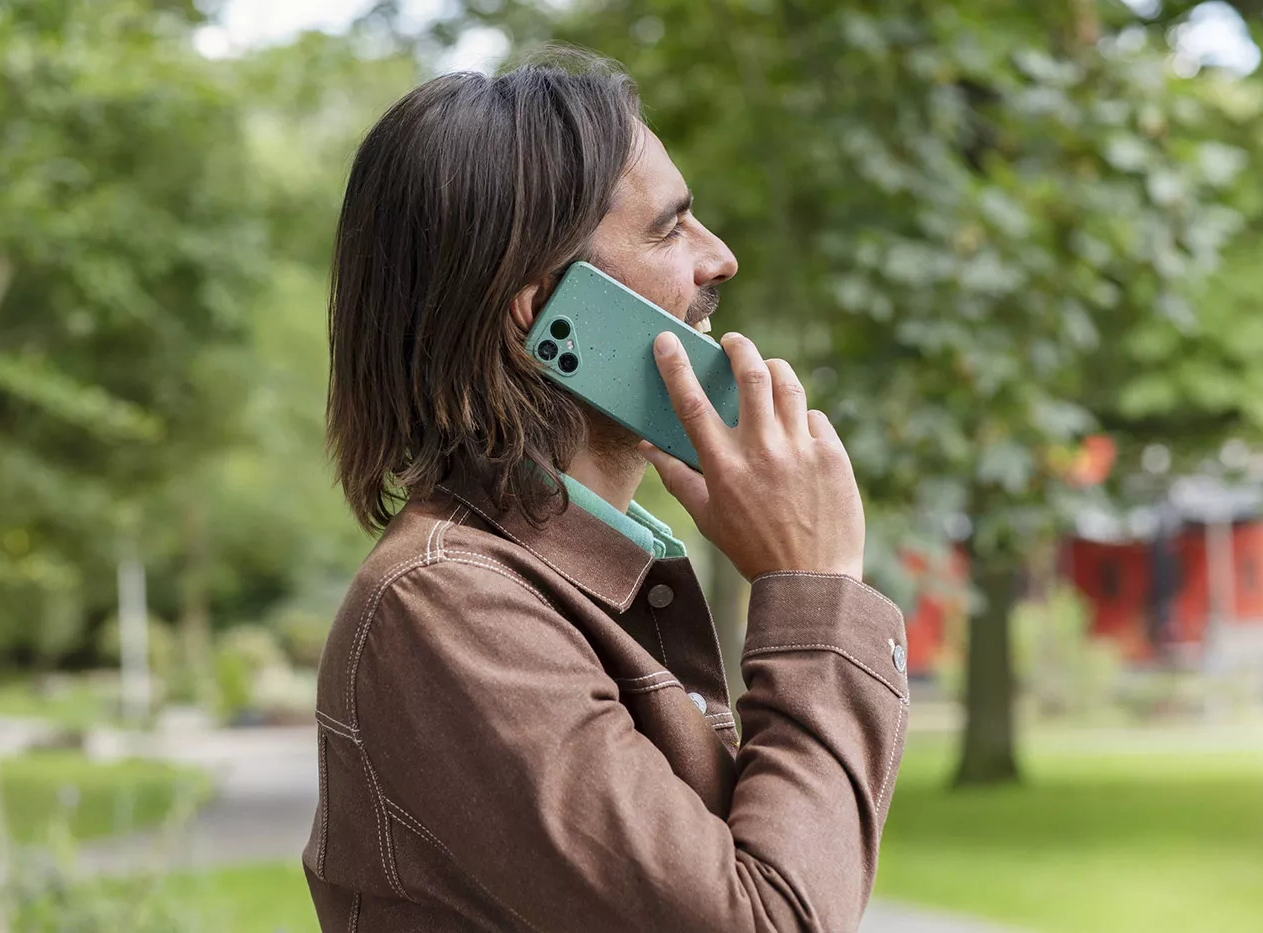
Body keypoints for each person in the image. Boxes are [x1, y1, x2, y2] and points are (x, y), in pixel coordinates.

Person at [305, 49, 909, 933]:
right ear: (545, 306)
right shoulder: (443, 605)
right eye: (671, 230)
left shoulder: (575, 576)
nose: (722, 260)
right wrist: (816, 588)